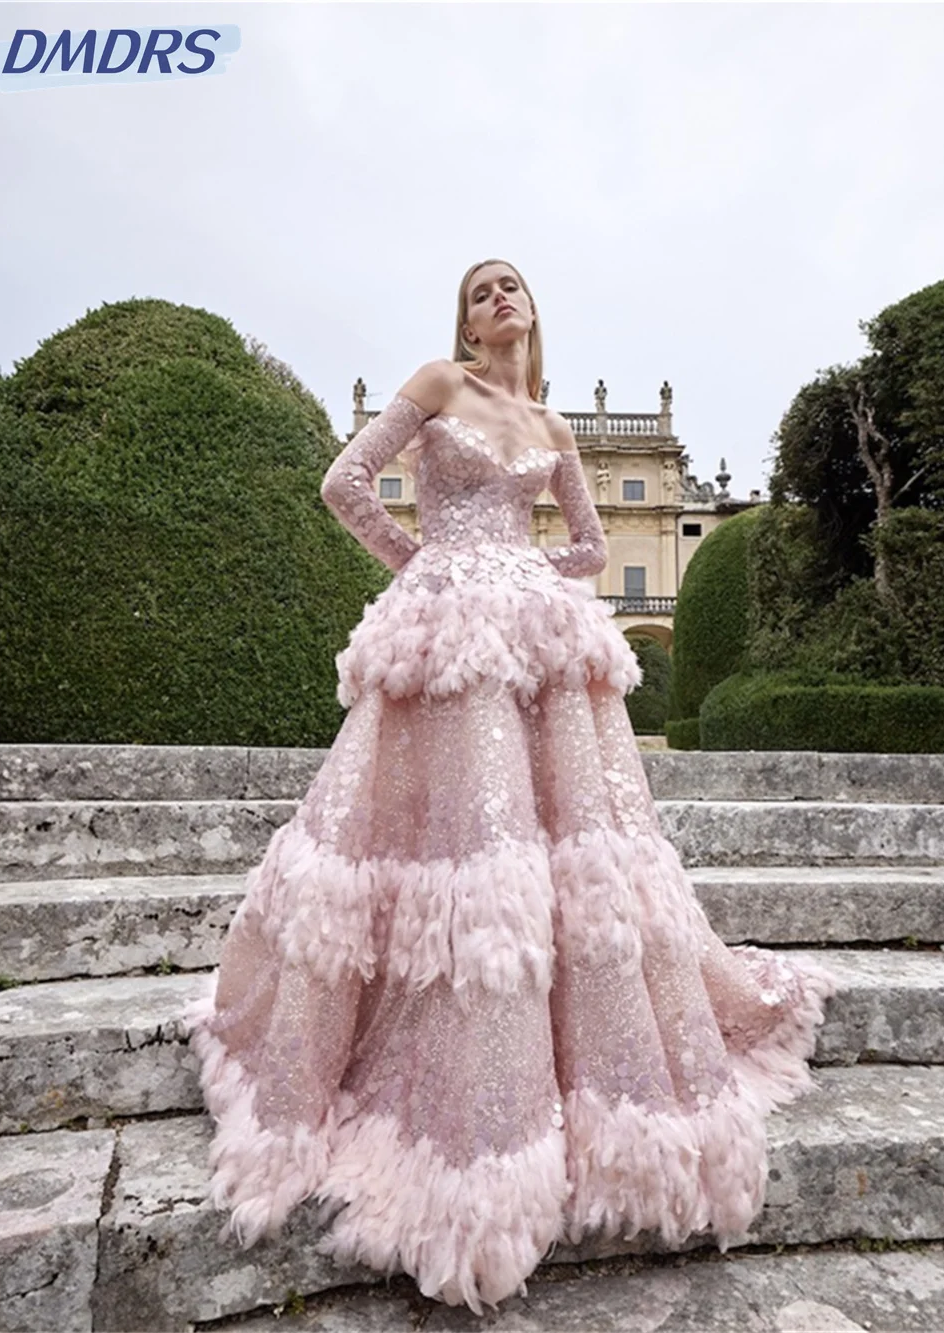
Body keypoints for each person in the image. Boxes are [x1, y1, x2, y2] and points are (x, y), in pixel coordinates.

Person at [182, 258, 840, 1315]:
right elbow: (344, 481)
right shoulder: (437, 385)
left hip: (522, 625)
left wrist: (529, 575)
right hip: (448, 619)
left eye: (511, 285)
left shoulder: (555, 429)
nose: (498, 297)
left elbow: (584, 541)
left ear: (532, 310)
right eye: (480, 288)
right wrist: (425, 564)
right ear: (462, 316)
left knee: (559, 842)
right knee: (443, 836)